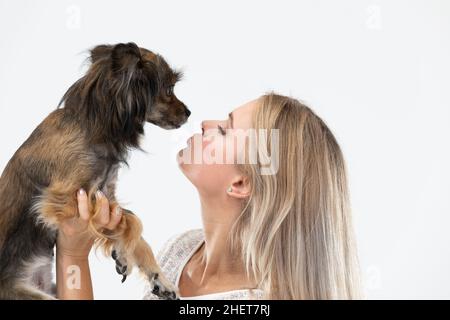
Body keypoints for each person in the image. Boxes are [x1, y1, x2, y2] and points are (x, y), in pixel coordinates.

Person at [56, 93, 362, 299]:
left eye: (226, 131)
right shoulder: (184, 249)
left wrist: (73, 256)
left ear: (241, 183)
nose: (206, 124)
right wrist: (74, 250)